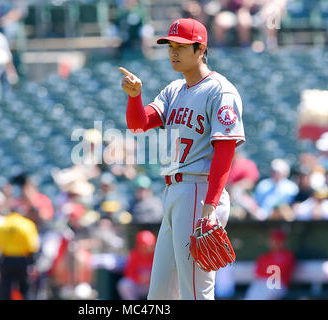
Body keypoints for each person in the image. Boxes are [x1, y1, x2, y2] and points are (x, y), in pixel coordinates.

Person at [119, 18, 245, 300]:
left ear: (201, 49)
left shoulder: (220, 91)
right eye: (170, 46)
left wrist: (210, 208)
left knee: (195, 292)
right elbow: (139, 124)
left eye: (182, 46)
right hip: (174, 192)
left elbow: (225, 151)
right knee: (160, 294)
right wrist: (135, 97)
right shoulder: (174, 89)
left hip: (199, 192)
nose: (173, 52)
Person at [0, 211, 40, 299]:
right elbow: (33, 247)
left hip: (6, 260)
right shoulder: (27, 224)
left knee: (5, 289)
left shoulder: (1, 225)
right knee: (25, 289)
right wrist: (32, 263)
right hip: (23, 260)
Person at [244, 229, 295, 300]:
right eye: (274, 240)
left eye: (278, 240)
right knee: (251, 294)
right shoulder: (264, 257)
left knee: (265, 293)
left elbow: (279, 272)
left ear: (283, 242)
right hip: (261, 282)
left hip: (278, 284)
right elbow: (258, 272)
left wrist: (267, 271)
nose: (276, 242)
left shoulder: (288, 256)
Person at [117, 230, 156, 300]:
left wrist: (150, 278)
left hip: (153, 286)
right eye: (144, 246)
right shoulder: (134, 254)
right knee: (124, 284)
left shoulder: (157, 255)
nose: (147, 248)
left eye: (150, 246)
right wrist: (139, 278)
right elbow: (128, 273)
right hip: (139, 286)